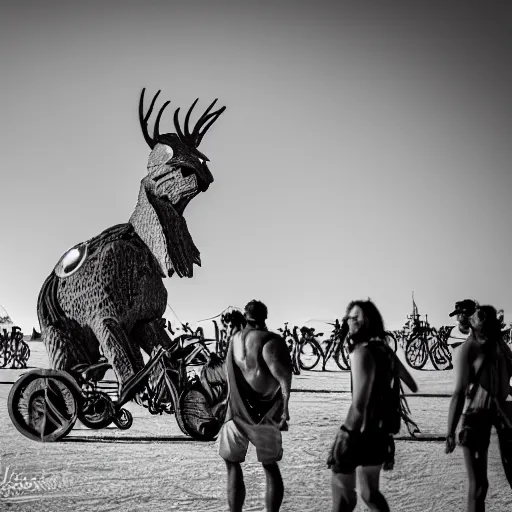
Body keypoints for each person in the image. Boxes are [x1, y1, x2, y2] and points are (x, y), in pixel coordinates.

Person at [327, 299, 418, 512]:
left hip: (358, 433)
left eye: (352, 318)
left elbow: (359, 404)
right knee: (370, 493)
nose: (349, 322)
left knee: (341, 495)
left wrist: (343, 435)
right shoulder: (385, 351)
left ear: (359, 323)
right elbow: (411, 385)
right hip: (380, 434)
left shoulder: (361, 353)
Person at [218, 300, 293, 512]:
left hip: (235, 413)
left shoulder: (234, 340)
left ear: (246, 316)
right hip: (265, 414)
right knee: (270, 467)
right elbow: (284, 378)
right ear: (264, 317)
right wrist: (285, 407)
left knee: (232, 465)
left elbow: (227, 372)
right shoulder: (271, 341)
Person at [445, 302, 512, 512]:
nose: (460, 320)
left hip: (478, 415)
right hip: (504, 414)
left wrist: (449, 432)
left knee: (478, 487)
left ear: (472, 321)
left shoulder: (469, 348)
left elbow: (458, 393)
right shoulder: (501, 346)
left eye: (464, 317)